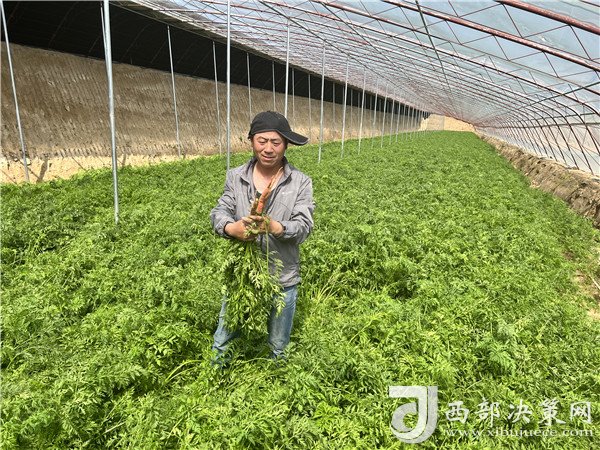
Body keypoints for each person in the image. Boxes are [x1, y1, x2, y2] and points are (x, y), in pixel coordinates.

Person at [210, 111, 314, 364]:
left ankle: (277, 375)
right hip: (242, 273)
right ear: (251, 141)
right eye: (262, 141)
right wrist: (230, 228)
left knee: (278, 343)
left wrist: (276, 227)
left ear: (286, 145)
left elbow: (304, 226)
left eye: (275, 142)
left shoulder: (300, 182)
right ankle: (216, 372)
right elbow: (220, 211)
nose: (268, 149)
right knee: (224, 337)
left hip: (282, 274)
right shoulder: (236, 176)